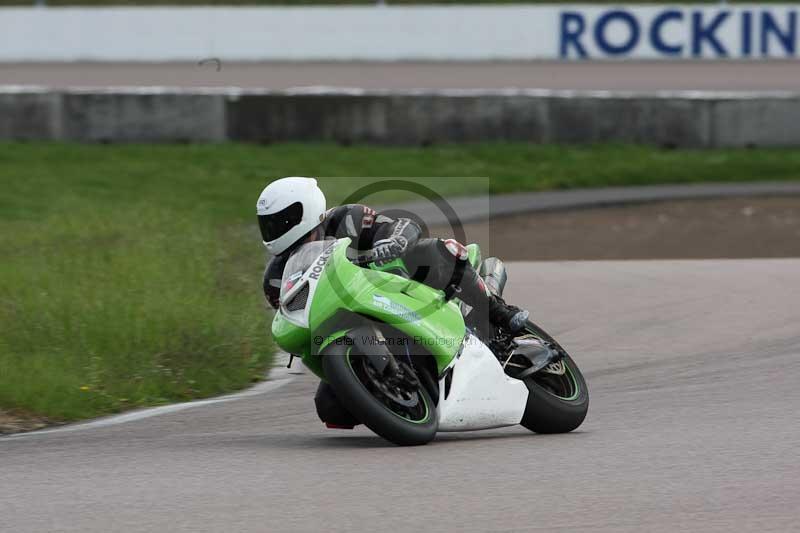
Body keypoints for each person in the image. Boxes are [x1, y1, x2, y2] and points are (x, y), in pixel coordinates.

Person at [257, 177, 529, 333]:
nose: (276, 228)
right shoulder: (274, 280)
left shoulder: (345, 219)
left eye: (282, 219)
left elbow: (403, 225)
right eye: (269, 223)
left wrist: (395, 242)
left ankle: (499, 312)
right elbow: (293, 320)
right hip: (350, 322)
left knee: (436, 250)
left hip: (400, 287)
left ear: (306, 209)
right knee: (330, 409)